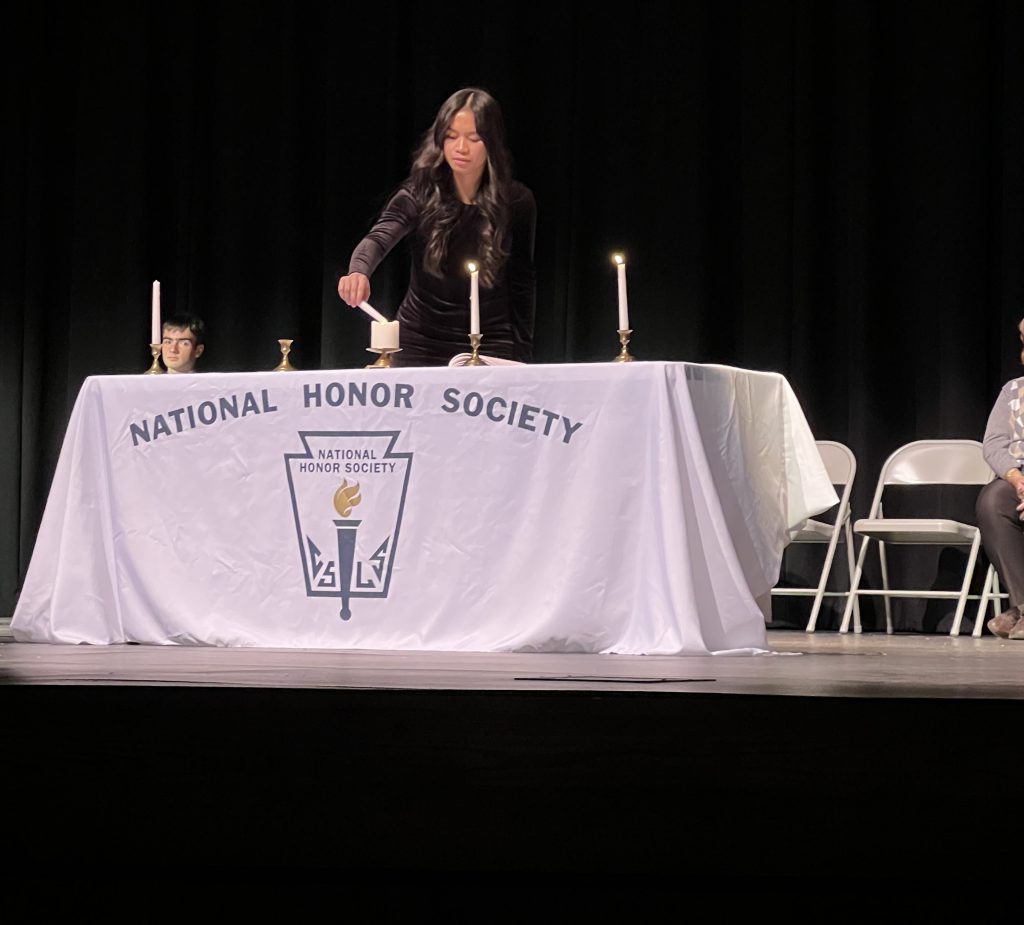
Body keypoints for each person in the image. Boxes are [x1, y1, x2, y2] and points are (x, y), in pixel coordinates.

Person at [337, 87, 536, 365]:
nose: (461, 148)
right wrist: (358, 270)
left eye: (474, 138)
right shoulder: (418, 193)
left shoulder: (517, 201)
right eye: (451, 136)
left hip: (491, 341)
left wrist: (524, 351)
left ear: (491, 141)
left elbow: (522, 283)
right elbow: (379, 237)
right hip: (420, 340)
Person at [978, 317, 1024, 638]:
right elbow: (994, 444)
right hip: (1019, 478)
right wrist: (1017, 480)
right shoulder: (1013, 391)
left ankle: (1018, 610)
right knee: (993, 500)